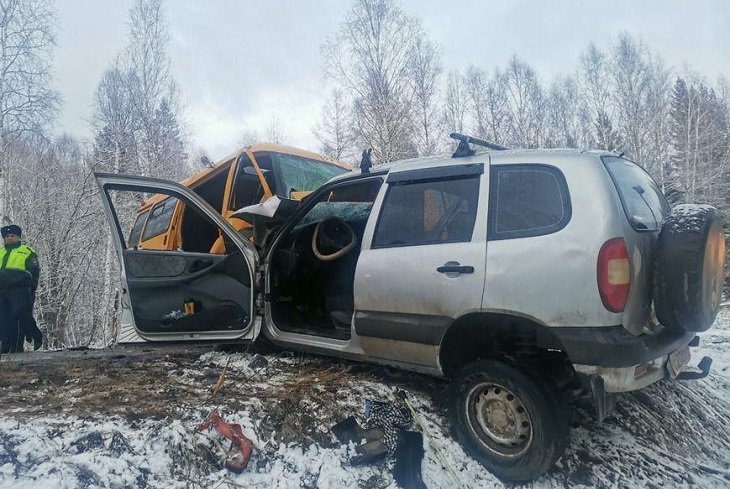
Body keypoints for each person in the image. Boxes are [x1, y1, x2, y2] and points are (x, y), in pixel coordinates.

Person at [0, 224, 42, 352]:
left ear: (18, 237)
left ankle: (21, 342)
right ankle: (7, 345)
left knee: (19, 316)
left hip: (20, 289)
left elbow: (32, 272)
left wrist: (31, 290)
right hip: (2, 290)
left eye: (12, 235)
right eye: (7, 236)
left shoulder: (27, 251)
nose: (9, 238)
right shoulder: (1, 253)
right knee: (4, 317)